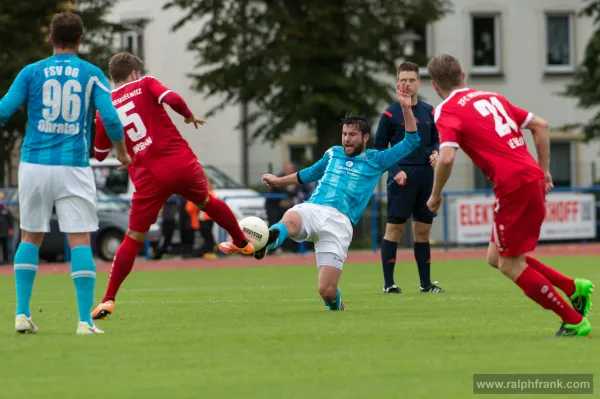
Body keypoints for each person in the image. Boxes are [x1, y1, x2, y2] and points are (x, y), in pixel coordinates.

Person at [425, 54, 593, 337]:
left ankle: (574, 320)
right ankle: (572, 287)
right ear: (463, 75)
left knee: (509, 263)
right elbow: (541, 125)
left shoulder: (445, 110)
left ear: (434, 85)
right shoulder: (492, 97)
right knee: (496, 256)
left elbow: (447, 158)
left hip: (512, 184)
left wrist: (435, 194)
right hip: (529, 177)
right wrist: (545, 171)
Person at [220, 84, 421, 310]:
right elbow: (309, 174)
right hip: (313, 209)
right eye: (344, 134)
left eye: (352, 135)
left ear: (365, 137)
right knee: (291, 218)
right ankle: (263, 243)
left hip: (339, 223)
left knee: (326, 291)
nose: (346, 139)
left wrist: (406, 108)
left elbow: (412, 142)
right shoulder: (332, 153)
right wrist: (278, 181)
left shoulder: (376, 159)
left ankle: (337, 305)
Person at [91, 52, 254, 320]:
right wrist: (188, 116)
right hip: (179, 162)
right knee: (206, 201)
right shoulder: (145, 84)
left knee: (133, 238)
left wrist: (111, 141)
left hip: (148, 177)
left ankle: (108, 298)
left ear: (113, 76)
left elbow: (98, 153)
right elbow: (172, 99)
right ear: (134, 73)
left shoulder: (104, 107)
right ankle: (241, 242)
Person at [0, 12, 130, 335]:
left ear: (50, 38)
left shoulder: (31, 73)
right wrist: (122, 152)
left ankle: (21, 313)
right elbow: (111, 119)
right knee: (80, 239)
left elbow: (3, 110)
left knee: (30, 235)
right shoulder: (91, 73)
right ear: (80, 39)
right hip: (73, 166)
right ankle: (85, 321)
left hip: (34, 166)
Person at [375, 61, 444, 294]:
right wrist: (395, 171)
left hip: (426, 177)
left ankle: (426, 284)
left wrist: (436, 152)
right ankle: (389, 284)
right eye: (402, 80)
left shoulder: (429, 111)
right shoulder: (390, 113)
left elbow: (436, 138)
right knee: (394, 230)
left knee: (423, 232)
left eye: (411, 80)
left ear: (418, 82)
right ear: (397, 83)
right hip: (401, 177)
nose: (407, 84)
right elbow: (379, 149)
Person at [0, 192, 15, 264]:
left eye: (2, 199)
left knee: (6, 247)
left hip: (5, 232)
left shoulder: (6, 209)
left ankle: (6, 260)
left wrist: (10, 229)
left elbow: (10, 220)